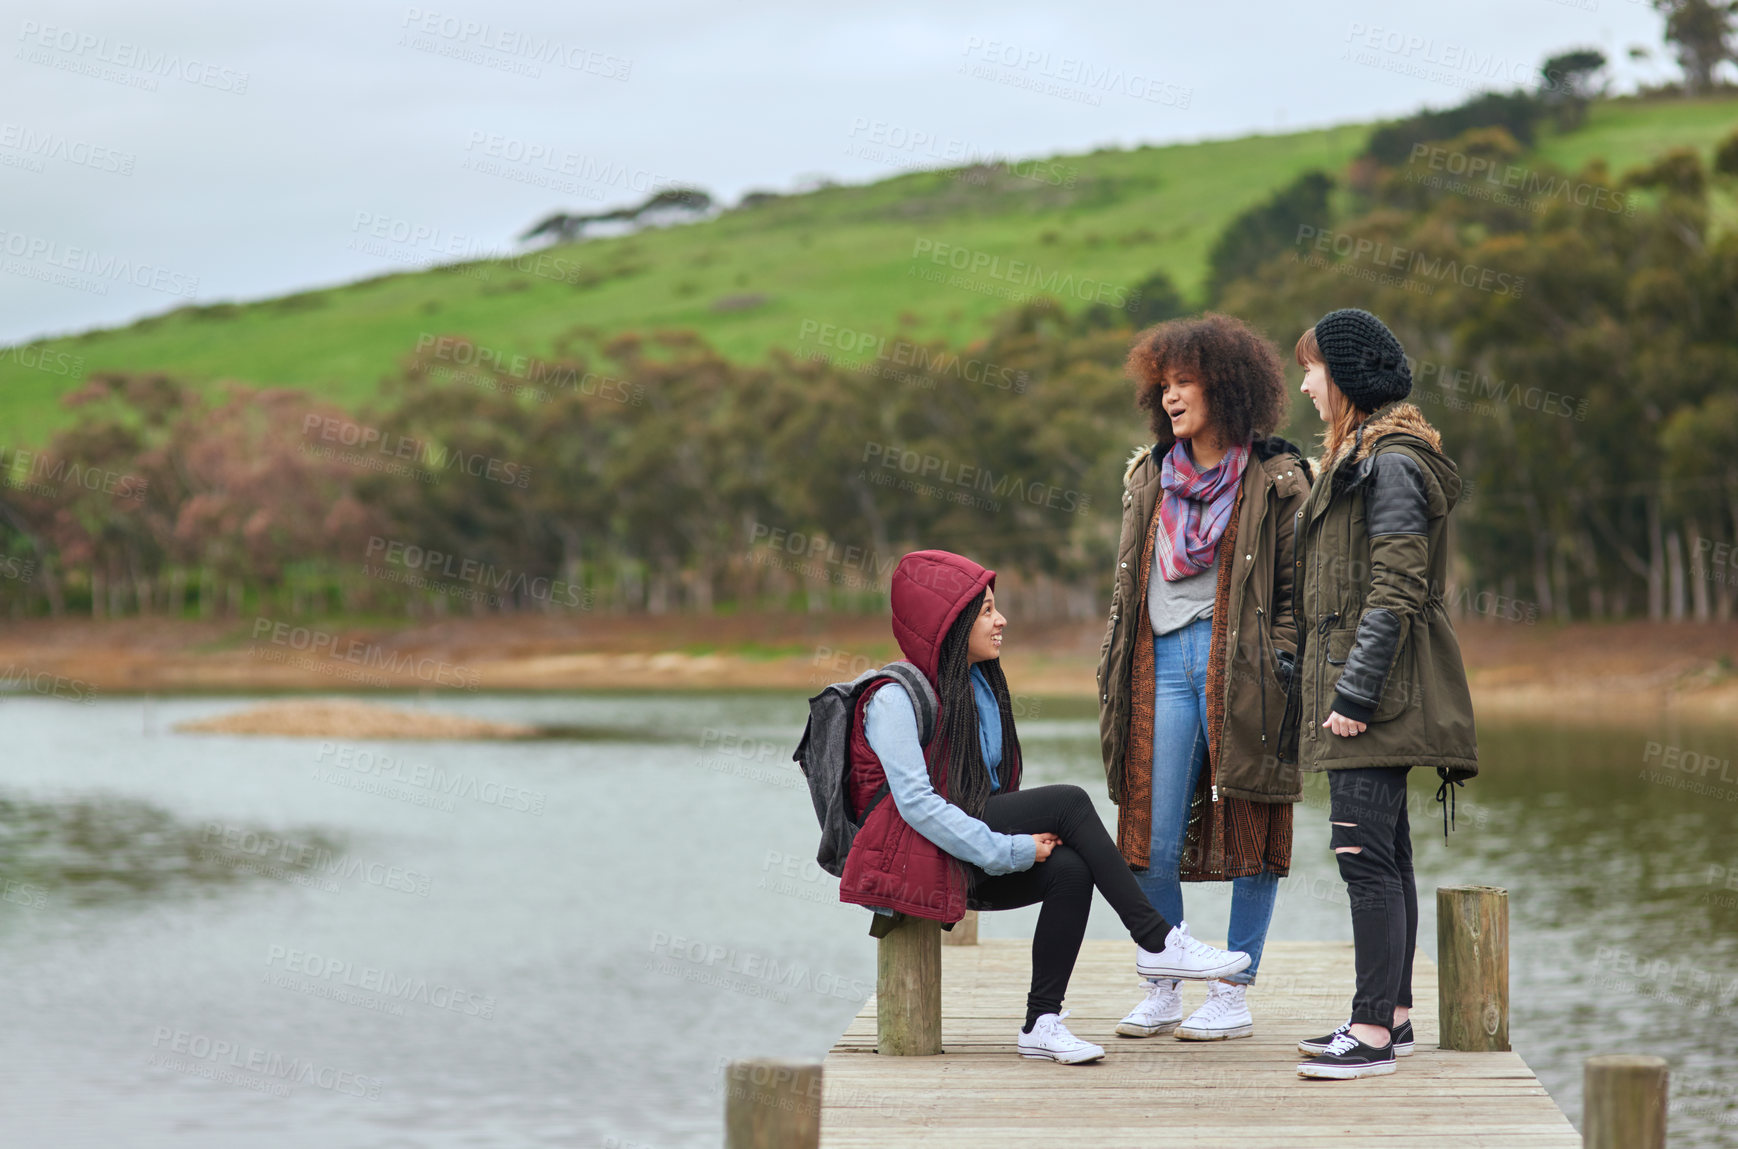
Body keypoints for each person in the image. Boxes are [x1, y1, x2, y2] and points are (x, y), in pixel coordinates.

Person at [839, 549, 1252, 1065]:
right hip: (915, 858)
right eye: (987, 610)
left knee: (1071, 871)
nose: (1001, 620)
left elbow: (989, 792)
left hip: (963, 848)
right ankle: (1157, 939)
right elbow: (918, 807)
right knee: (1069, 802)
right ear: (948, 621)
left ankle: (1041, 1023)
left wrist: (1016, 843)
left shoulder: (978, 686)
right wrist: (1010, 849)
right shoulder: (893, 699)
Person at [1097, 314, 1313, 1044]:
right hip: (1159, 665)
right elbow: (1127, 587)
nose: (1170, 398)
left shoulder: (1277, 479)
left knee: (1257, 821)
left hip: (1242, 671)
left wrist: (1279, 664)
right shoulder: (1147, 475)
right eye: (1163, 385)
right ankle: (1162, 978)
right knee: (1146, 837)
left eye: (1184, 382)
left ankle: (1232, 990)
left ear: (1226, 386)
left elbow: (1295, 597)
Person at [1285, 308, 1479, 1080]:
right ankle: (1392, 1016)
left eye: (1312, 368)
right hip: (1371, 687)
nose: (1304, 382)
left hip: (1377, 695)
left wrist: (1355, 695)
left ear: (1348, 379)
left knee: (1362, 854)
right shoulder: (1363, 456)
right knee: (1387, 852)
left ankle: (1367, 1034)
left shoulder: (1389, 463)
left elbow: (1395, 588)